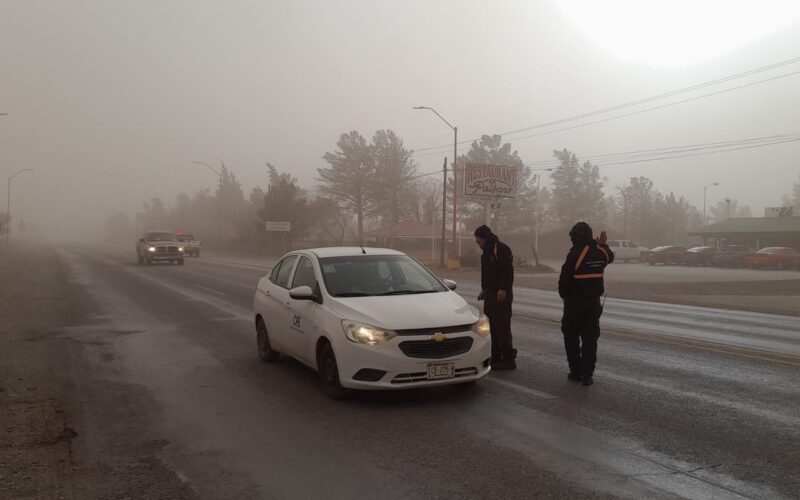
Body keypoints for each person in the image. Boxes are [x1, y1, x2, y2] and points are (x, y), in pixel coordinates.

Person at [558, 222, 614, 386]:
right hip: (593, 303)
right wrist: (603, 244)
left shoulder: (575, 253)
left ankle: (575, 372)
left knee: (571, 337)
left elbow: (564, 279)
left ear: (577, 237)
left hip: (574, 304)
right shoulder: (600, 252)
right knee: (590, 339)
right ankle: (587, 375)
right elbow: (609, 257)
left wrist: (564, 295)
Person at [474, 225, 517, 370]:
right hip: (490, 293)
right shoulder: (486, 251)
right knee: (491, 326)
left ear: (484, 238)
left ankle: (508, 358)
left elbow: (507, 271)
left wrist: (503, 288)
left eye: (478, 239)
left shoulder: (501, 249)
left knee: (502, 326)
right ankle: (495, 356)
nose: (477, 242)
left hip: (501, 294)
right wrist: (484, 289)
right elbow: (487, 274)